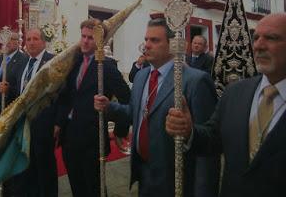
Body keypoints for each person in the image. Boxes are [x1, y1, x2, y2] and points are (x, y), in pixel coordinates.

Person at [94, 18, 219, 197]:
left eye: (155, 40)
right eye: (146, 40)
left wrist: (204, 191)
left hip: (176, 179)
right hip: (143, 172)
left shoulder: (195, 81)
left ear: (171, 44)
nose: (147, 45)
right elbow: (136, 113)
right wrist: (110, 108)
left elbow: (208, 144)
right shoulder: (141, 77)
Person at [166, 13, 286, 197]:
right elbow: (213, 139)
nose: (259, 46)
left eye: (272, 38)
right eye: (256, 38)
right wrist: (189, 132)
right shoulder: (235, 92)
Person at [57, 18, 131, 197]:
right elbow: (67, 97)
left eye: (90, 37)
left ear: (99, 40)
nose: (85, 41)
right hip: (70, 137)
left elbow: (127, 99)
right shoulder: (73, 64)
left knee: (94, 189)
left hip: (93, 138)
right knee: (77, 187)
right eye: (83, 36)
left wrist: (120, 131)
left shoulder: (106, 66)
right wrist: (59, 124)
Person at [0, 28, 57, 197]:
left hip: (44, 123)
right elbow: (19, 90)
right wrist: (7, 89)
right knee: (25, 163)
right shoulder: (24, 62)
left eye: (35, 39)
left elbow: (61, 93)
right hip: (23, 123)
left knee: (44, 166)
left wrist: (58, 122)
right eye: (29, 39)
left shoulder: (51, 62)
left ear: (44, 42)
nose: (31, 42)